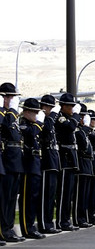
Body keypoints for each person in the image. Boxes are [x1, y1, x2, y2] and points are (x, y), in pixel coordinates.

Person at [0, 82, 25, 243]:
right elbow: (7, 126)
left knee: (10, 198)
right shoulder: (4, 114)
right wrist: (10, 111)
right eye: (9, 97)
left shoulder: (11, 114)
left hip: (14, 159)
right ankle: (3, 229)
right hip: (6, 159)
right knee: (3, 197)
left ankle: (8, 228)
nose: (12, 100)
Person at [17, 98, 46, 239]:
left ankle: (30, 226)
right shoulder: (23, 124)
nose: (36, 115)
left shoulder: (32, 124)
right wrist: (39, 123)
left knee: (34, 196)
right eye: (34, 112)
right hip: (27, 163)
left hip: (35, 162)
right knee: (27, 198)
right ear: (26, 112)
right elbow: (31, 133)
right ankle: (26, 228)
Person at [55, 92, 80, 231]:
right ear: (63, 106)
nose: (71, 108)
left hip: (70, 157)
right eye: (69, 106)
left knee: (68, 192)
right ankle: (61, 221)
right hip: (64, 157)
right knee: (63, 192)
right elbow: (70, 127)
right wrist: (76, 116)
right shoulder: (61, 118)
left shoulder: (69, 118)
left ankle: (66, 219)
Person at [37, 95, 61, 235]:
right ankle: (43, 224)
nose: (51, 110)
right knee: (45, 195)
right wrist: (51, 115)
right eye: (49, 107)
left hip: (52, 160)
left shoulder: (49, 120)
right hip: (45, 160)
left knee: (51, 195)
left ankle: (48, 222)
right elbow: (45, 130)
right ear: (43, 107)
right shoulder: (42, 121)